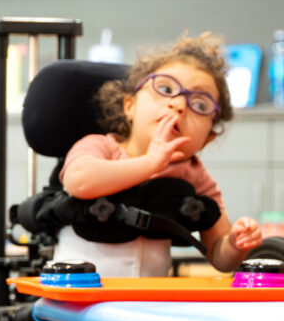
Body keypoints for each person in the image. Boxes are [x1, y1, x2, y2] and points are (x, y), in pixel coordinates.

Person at [56, 31, 262, 276]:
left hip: (147, 304)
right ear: (129, 106)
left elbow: (219, 256)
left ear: (207, 139)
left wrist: (235, 244)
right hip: (74, 296)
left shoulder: (193, 176)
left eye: (200, 105)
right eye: (165, 88)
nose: (179, 105)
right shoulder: (101, 146)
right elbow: (79, 181)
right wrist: (151, 162)